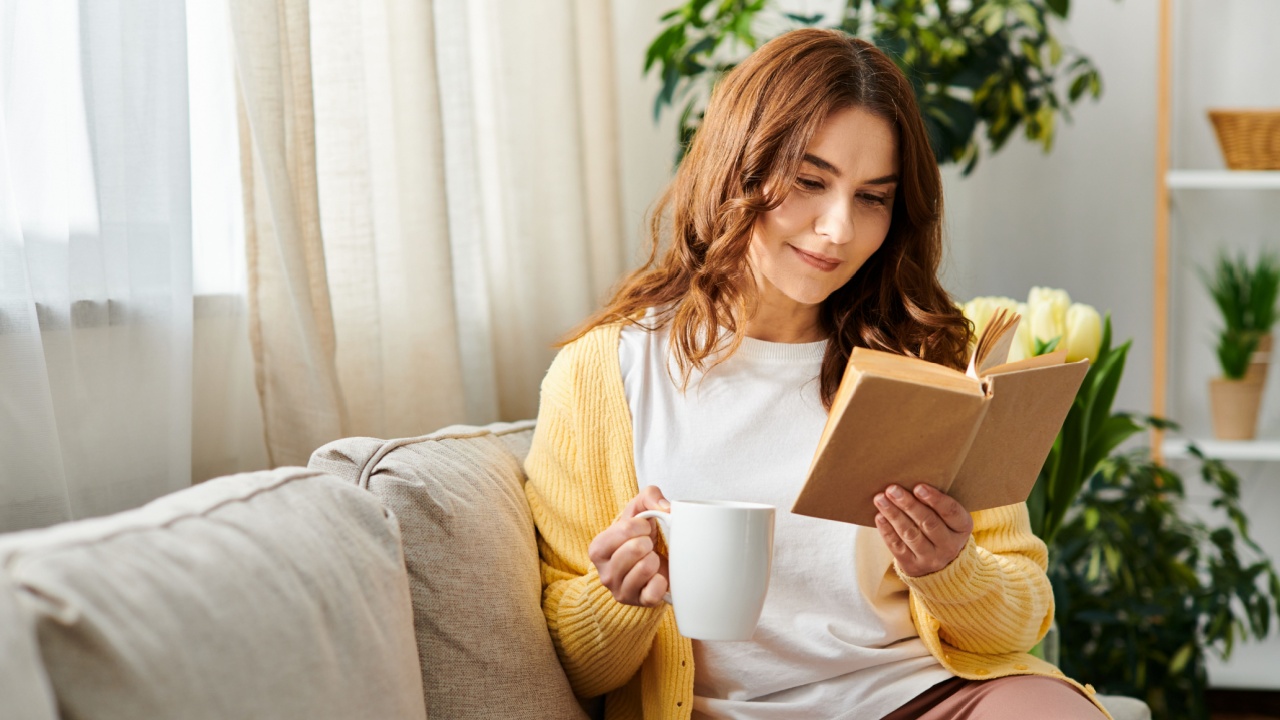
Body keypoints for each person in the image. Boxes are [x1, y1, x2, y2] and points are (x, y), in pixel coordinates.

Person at [523, 28, 1109, 720]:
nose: (838, 229)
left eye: (873, 198)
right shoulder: (602, 375)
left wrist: (949, 570)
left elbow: (1022, 618)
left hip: (926, 697)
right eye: (809, 181)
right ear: (736, 166)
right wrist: (618, 596)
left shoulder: (928, 363)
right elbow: (576, 660)